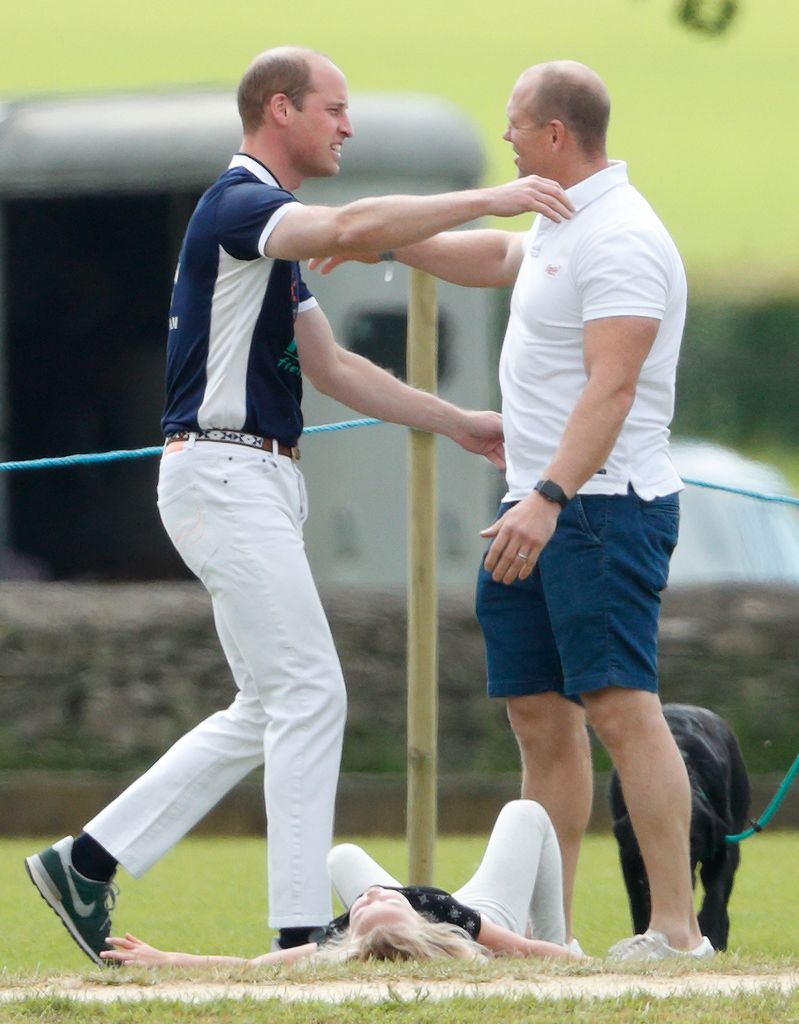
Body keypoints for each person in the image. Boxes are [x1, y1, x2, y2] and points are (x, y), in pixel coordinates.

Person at [23, 47, 575, 968]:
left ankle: (86, 859)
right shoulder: (242, 204)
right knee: (311, 692)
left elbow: (332, 368)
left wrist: (457, 422)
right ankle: (293, 931)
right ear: (279, 110)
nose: (347, 126)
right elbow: (356, 226)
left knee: (266, 705)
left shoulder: (265, 236)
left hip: (249, 479)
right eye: (333, 108)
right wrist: (488, 198)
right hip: (225, 475)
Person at [312, 60, 713, 962]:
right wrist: (388, 242)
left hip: (598, 508)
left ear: (555, 135)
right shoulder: (560, 221)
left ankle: (675, 930)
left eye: (514, 124)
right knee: (538, 716)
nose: (505, 138)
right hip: (534, 504)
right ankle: (547, 930)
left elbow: (611, 392)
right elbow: (495, 256)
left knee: (619, 705)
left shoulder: (623, 239)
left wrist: (546, 496)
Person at [100, 801, 579, 967]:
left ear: (349, 931)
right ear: (418, 916)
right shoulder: (444, 915)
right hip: (488, 914)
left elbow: (252, 965)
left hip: (406, 935)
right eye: (379, 899)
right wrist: (571, 961)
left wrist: (168, 959)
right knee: (524, 814)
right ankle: (564, 936)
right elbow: (521, 947)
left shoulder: (342, 937)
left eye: (361, 905)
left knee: (342, 856)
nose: (370, 894)